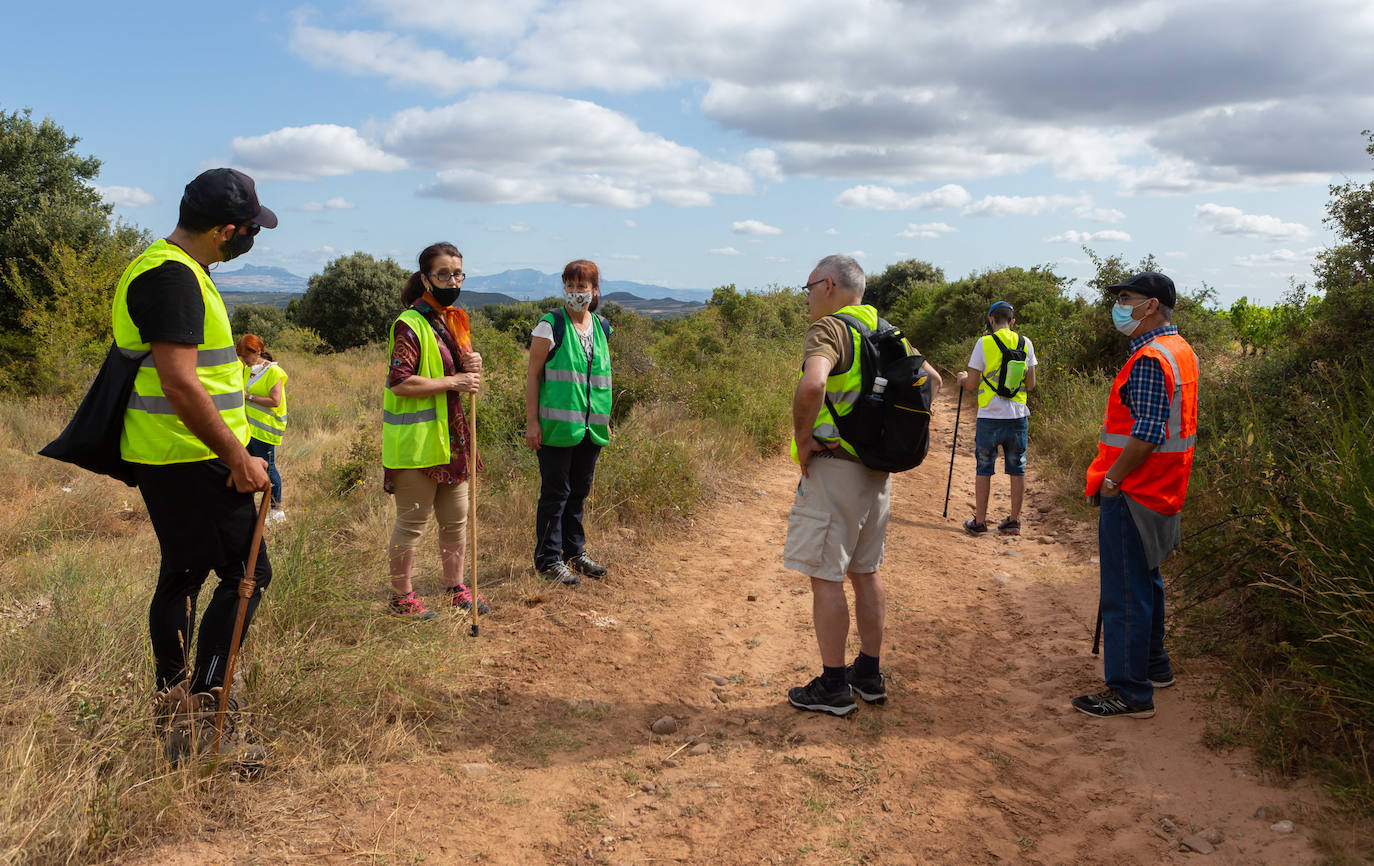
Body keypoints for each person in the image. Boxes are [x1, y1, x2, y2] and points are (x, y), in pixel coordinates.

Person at [113, 168, 277, 749]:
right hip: (190, 458)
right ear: (226, 229)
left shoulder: (174, 268)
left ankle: (173, 703)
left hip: (175, 454)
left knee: (182, 574)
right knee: (248, 575)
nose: (250, 239)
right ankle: (209, 711)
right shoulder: (172, 278)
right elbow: (182, 386)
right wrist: (237, 458)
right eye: (249, 230)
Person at [784, 254, 942, 715]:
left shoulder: (831, 329)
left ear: (828, 284)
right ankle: (868, 674)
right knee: (865, 573)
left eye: (808, 286)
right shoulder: (887, 329)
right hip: (877, 471)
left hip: (836, 469)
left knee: (826, 576)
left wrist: (802, 438)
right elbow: (930, 378)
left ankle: (833, 686)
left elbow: (813, 385)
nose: (808, 295)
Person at [1074, 272, 1198, 719]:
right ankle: (1154, 667)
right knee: (1147, 581)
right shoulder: (1180, 351)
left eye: (1126, 298)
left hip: (1134, 490)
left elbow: (1145, 433)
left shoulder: (1150, 358)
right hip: (1166, 487)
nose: (1119, 306)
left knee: (1125, 593)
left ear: (1150, 306)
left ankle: (1130, 692)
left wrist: (1112, 480)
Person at [382, 242, 489, 620]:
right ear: (426, 278)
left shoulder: (455, 319)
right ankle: (401, 598)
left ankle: (456, 588)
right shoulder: (410, 323)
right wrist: (455, 381)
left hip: (453, 440)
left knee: (456, 519)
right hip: (416, 445)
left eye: (458, 273)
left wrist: (471, 365)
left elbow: (463, 377)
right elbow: (400, 382)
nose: (452, 280)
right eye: (444, 274)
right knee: (411, 524)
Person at [524, 259, 613, 586]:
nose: (576, 292)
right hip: (556, 429)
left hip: (592, 429)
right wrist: (532, 423)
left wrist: (605, 422)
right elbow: (533, 377)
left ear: (595, 290)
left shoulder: (602, 327)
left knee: (579, 492)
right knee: (555, 494)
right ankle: (548, 560)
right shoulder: (550, 326)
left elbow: (598, 379)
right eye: (571, 286)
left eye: (582, 287)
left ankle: (575, 553)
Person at [955, 301, 1037, 536]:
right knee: (1017, 467)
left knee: (984, 467)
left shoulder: (984, 343)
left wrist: (961, 378)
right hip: (1018, 416)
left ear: (991, 320)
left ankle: (980, 522)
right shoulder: (1026, 343)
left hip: (990, 416)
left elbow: (970, 384)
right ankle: (1013, 521)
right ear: (1012, 322)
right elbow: (1030, 384)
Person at [236, 333, 288, 523]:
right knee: (247, 465)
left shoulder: (274, 372)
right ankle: (249, 507)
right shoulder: (246, 369)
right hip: (248, 429)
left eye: (245, 356)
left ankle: (277, 509)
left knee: (268, 467)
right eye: (241, 356)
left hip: (265, 429)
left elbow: (275, 401)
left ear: (257, 351)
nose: (243, 360)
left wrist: (248, 397)